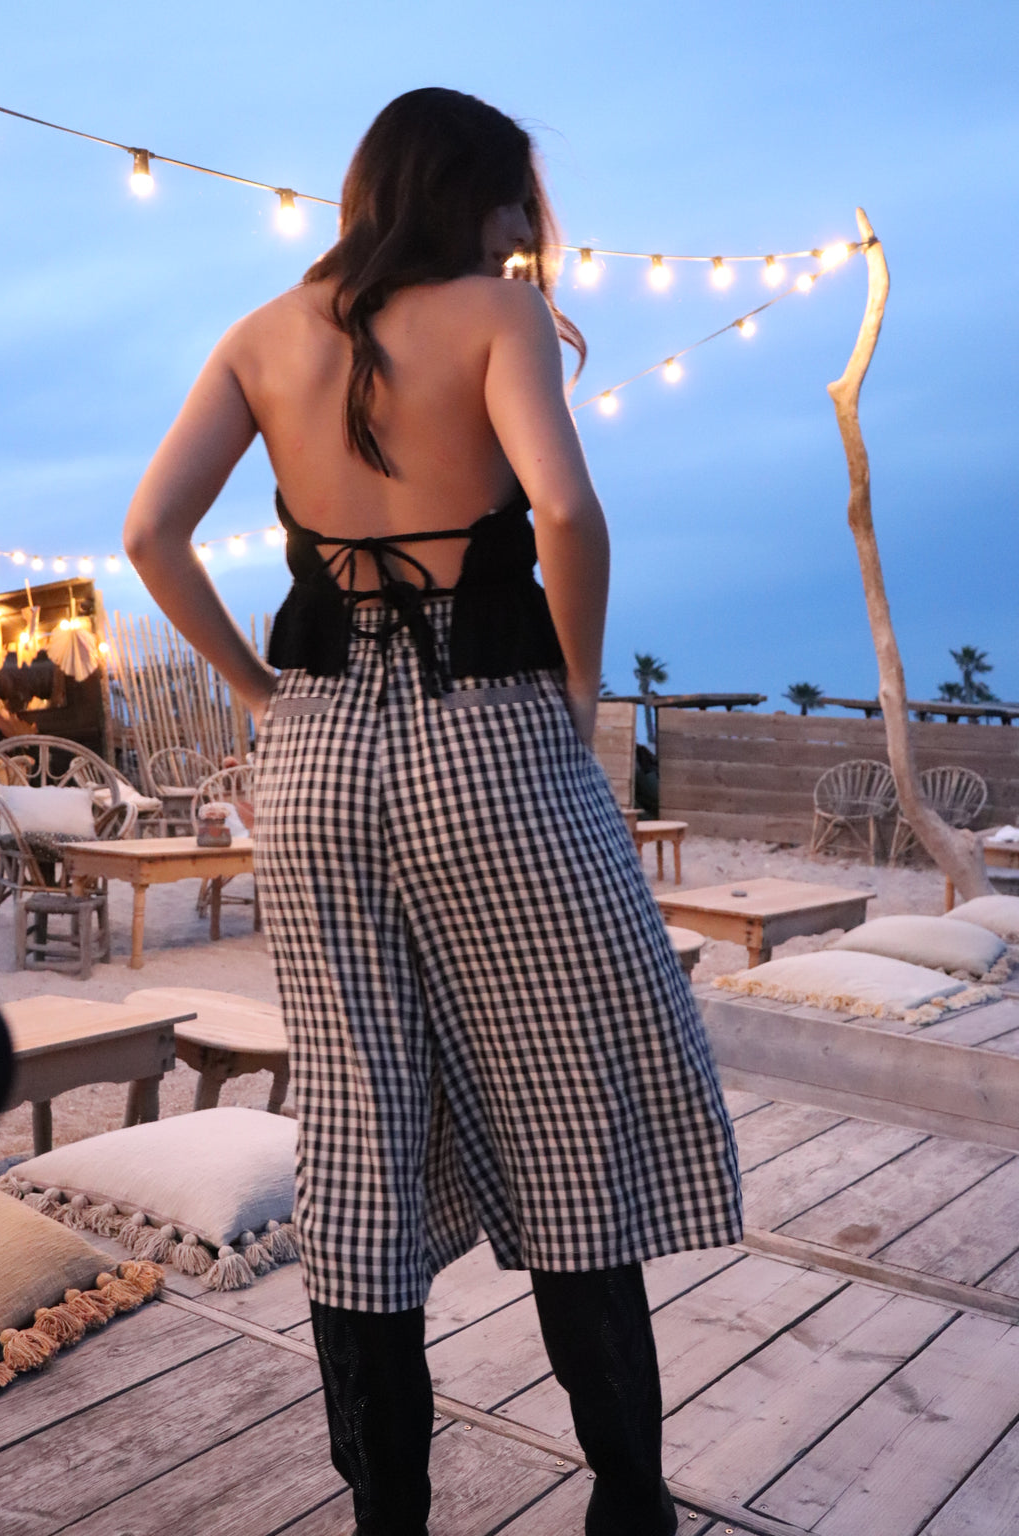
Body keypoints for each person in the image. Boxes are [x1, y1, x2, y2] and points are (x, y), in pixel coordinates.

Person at [124, 87, 741, 1536]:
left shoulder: (261, 334)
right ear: (467, 190)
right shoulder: (496, 312)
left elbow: (151, 532)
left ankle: (387, 1516)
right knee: (571, 1099)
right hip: (489, 732)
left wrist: (261, 696)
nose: (529, 227)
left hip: (319, 752)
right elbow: (566, 515)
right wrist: (577, 691)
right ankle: (628, 1501)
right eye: (520, 196)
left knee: (358, 1125)